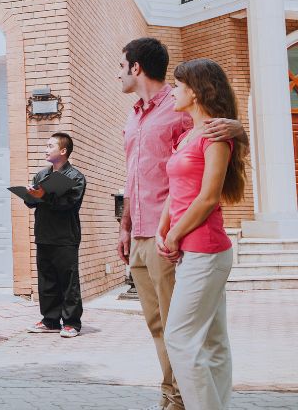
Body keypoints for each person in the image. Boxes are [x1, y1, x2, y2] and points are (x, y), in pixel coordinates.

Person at [116, 37, 244, 410]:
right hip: (145, 232)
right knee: (161, 326)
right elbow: (134, 176)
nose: (119, 74)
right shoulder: (134, 117)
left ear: (136, 67)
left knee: (182, 332)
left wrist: (239, 128)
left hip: (182, 238)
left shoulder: (180, 110)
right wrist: (125, 225)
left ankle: (179, 400)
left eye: (121, 66)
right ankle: (175, 396)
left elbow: (217, 138)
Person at [156, 59, 246, 410]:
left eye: (177, 86)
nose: (172, 92)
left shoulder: (215, 136)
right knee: (212, 341)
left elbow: (208, 198)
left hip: (205, 250)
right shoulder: (187, 136)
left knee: (179, 337)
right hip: (192, 250)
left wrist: (175, 235)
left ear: (194, 91)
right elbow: (178, 189)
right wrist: (164, 226)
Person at [24, 132, 86, 338]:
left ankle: (71, 323)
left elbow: (69, 204)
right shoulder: (41, 175)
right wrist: (31, 195)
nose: (46, 149)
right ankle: (50, 321)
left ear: (63, 151)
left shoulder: (76, 177)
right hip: (44, 235)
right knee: (47, 281)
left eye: (50, 145)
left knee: (68, 282)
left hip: (65, 238)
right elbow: (30, 203)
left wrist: (44, 196)